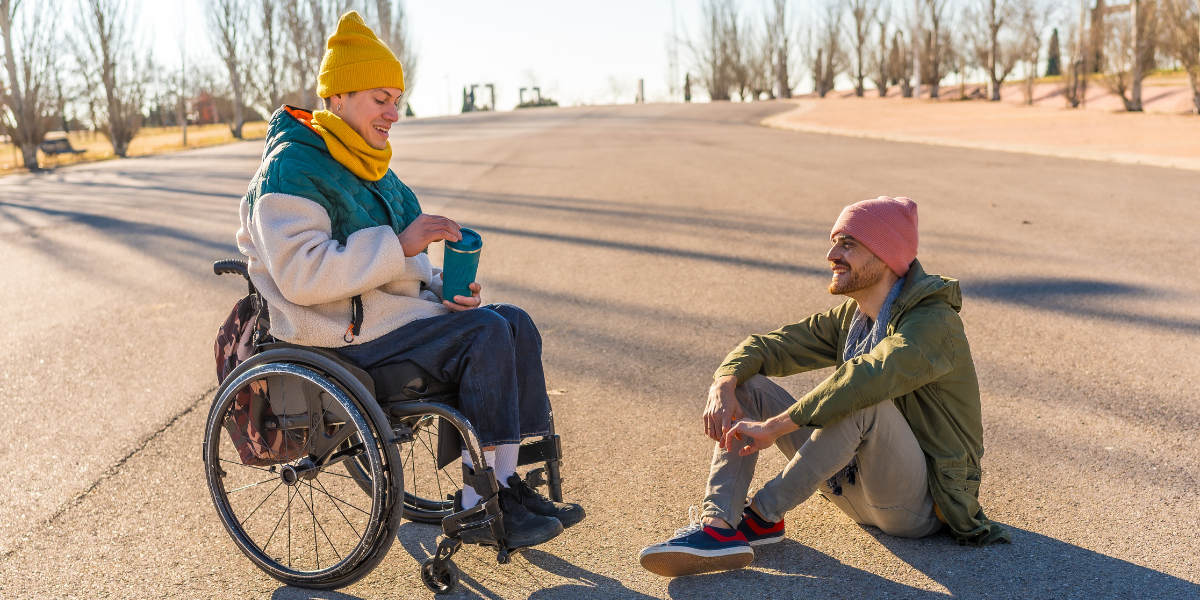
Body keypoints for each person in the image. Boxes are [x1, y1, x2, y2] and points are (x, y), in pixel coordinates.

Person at [234, 12, 583, 549]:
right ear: (340, 96)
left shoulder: (368, 164)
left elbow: (404, 265)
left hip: (389, 320)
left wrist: (443, 287)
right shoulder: (291, 169)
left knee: (512, 323)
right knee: (485, 334)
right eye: (381, 98)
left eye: (397, 98)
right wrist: (400, 246)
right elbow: (303, 275)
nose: (394, 112)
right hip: (335, 336)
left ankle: (509, 483)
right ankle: (479, 505)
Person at [639, 196, 1009, 578]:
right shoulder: (855, 317)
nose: (832, 254)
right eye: (834, 242)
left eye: (847, 243)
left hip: (915, 506)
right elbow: (768, 346)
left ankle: (762, 515)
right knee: (749, 384)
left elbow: (867, 378)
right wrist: (724, 382)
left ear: (885, 255)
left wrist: (774, 428)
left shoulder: (934, 322)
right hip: (852, 487)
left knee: (865, 402)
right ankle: (718, 527)